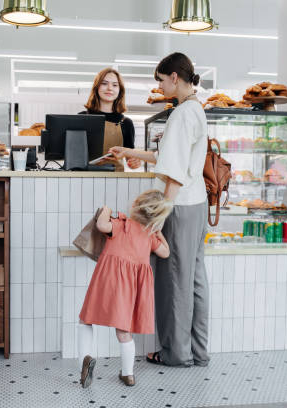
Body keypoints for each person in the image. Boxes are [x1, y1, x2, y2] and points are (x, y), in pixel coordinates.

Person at [109, 52, 210, 367]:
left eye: (161, 80)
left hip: (179, 208)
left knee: (174, 281)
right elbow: (169, 157)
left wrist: (161, 213)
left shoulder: (181, 114)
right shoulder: (196, 110)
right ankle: (197, 351)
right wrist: (129, 151)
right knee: (194, 280)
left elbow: (175, 172)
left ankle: (175, 354)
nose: (161, 86)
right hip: (197, 205)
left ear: (175, 77)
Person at [77, 190, 172, 388]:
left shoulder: (122, 224)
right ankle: (128, 374)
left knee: (86, 320)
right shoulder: (149, 236)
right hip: (130, 290)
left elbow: (102, 224)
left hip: (108, 281)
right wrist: (157, 231)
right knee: (123, 330)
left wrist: (106, 209)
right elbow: (165, 252)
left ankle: (84, 362)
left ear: (136, 204)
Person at [79, 68, 140, 171]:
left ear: (120, 90)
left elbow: (130, 158)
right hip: (85, 178)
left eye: (115, 85)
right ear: (97, 87)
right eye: (104, 83)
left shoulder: (126, 123)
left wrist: (135, 162)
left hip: (115, 180)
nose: (110, 88)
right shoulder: (82, 118)